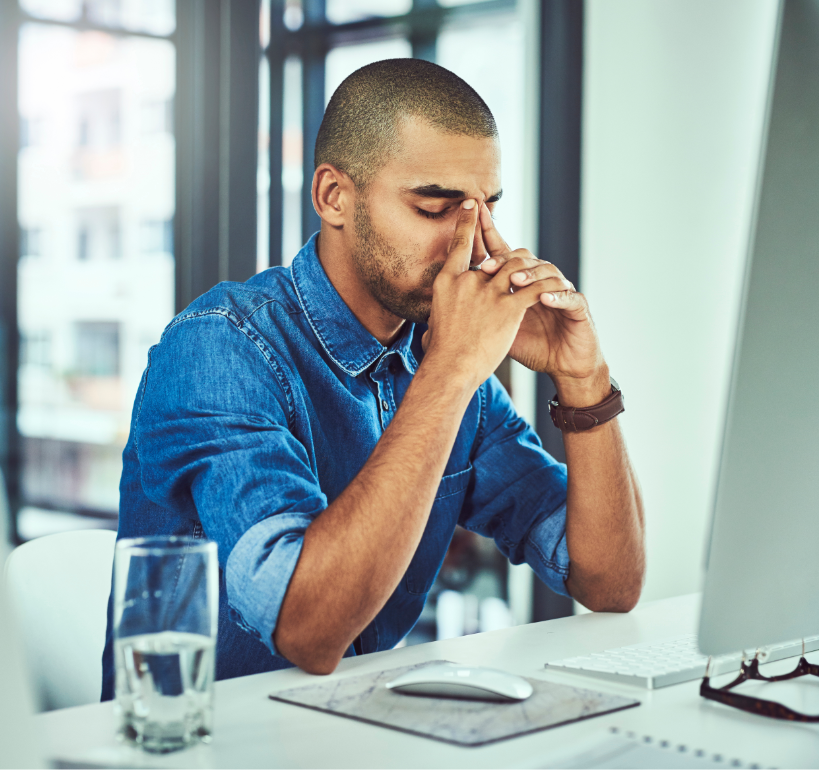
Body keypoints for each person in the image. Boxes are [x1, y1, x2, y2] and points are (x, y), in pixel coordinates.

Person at [102, 58, 644, 696]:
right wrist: (449, 373)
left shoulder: (440, 356)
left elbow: (608, 582)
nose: (471, 246)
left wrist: (585, 379)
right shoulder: (218, 349)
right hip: (206, 748)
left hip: (356, 735)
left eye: (486, 209)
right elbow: (307, 630)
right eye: (435, 207)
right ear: (334, 196)